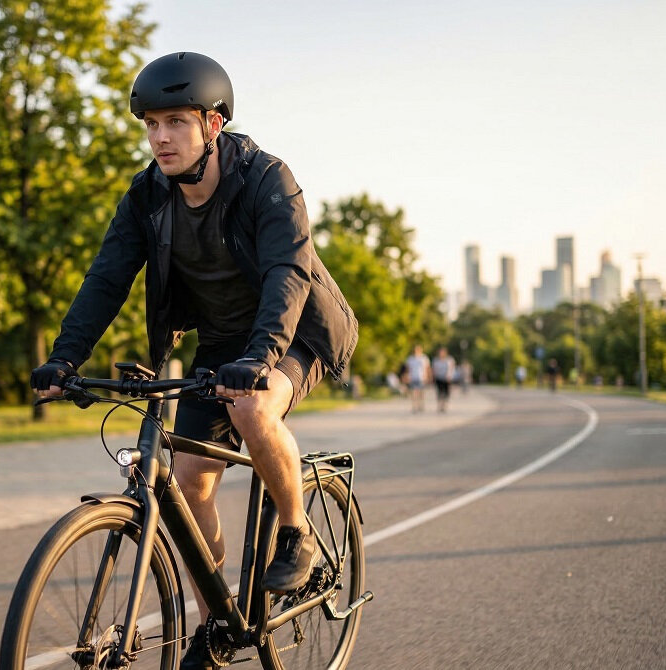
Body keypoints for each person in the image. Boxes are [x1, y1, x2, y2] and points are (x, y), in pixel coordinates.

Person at [28, 52, 358, 669]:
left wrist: (262, 357)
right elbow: (108, 276)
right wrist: (65, 356)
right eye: (151, 123)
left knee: (257, 412)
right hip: (219, 344)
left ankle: (296, 530)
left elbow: (288, 273)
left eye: (175, 121)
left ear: (213, 123)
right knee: (188, 481)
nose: (160, 138)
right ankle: (215, 627)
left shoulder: (267, 179)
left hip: (296, 333)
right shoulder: (149, 193)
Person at [404, 345, 432, 413]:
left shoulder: (424, 358)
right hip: (413, 377)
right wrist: (407, 376)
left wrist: (429, 376)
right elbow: (407, 369)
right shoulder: (410, 359)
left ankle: (421, 405)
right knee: (413, 392)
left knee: (421, 393)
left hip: (422, 377)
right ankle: (414, 406)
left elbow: (427, 368)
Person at [431, 347, 456, 413]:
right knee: (439, 392)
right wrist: (433, 376)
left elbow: (452, 368)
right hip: (438, 378)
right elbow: (433, 369)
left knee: (446, 392)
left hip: (447, 378)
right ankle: (440, 405)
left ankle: (445, 405)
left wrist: (450, 376)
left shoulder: (450, 359)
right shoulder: (436, 360)